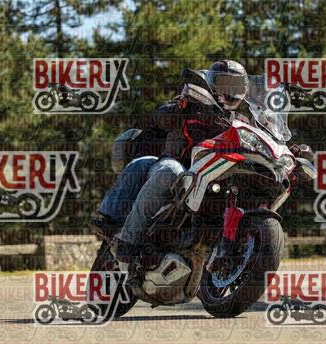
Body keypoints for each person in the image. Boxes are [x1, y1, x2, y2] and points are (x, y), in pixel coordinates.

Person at [98, 60, 250, 280]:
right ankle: (127, 243)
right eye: (223, 83)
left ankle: (222, 252)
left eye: (234, 86)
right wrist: (182, 106)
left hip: (214, 178)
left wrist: (288, 149)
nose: (229, 91)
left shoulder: (241, 123)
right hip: (178, 168)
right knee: (170, 171)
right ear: (211, 83)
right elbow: (159, 117)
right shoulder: (192, 104)